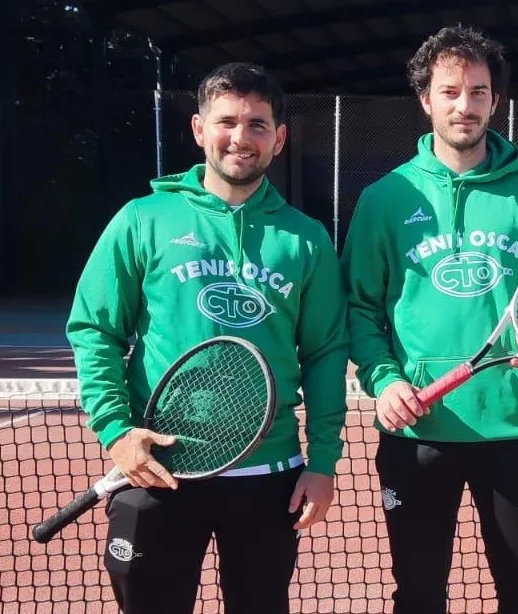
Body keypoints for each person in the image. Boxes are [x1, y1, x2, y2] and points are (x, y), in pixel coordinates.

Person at [67, 62, 349, 614]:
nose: (240, 138)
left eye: (257, 125)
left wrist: (323, 464)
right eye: (226, 121)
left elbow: (324, 354)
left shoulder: (306, 240)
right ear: (199, 129)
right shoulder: (141, 220)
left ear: (279, 138)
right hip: (157, 469)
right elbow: (94, 329)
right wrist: (117, 431)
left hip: (269, 475)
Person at [342, 25, 518, 614]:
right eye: (449, 91)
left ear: (495, 100)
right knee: (418, 595)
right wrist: (385, 380)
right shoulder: (384, 198)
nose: (463, 105)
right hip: (418, 428)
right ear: (425, 100)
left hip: (516, 425)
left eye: (477, 91)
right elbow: (360, 309)